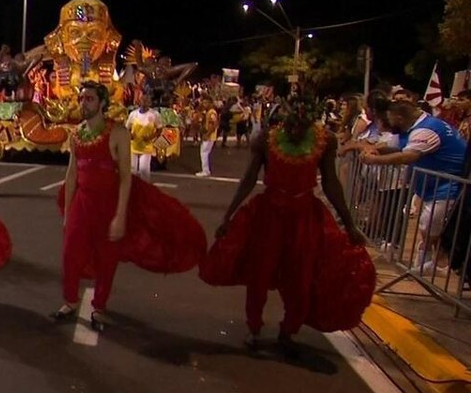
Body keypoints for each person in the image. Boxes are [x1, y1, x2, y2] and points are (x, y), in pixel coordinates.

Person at [201, 93, 373, 356]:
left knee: (301, 276)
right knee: (259, 273)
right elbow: (248, 179)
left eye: (301, 126)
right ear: (283, 119)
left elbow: (331, 182)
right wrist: (228, 216)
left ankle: (288, 330)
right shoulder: (265, 140)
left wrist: (349, 224)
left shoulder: (324, 141)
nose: (295, 130)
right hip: (268, 215)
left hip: (305, 217)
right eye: (291, 124)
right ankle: (254, 327)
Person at [52, 82, 206, 328]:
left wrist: (120, 215)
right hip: (82, 202)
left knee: (106, 258)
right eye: (81, 98)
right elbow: (72, 175)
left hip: (108, 204)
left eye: (89, 99)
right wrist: (68, 212)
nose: (83, 103)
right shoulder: (77, 134)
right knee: (70, 253)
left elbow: (125, 177)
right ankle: (69, 301)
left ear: (102, 103)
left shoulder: (118, 133)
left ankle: (99, 306)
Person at [361, 98, 467, 271]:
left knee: (432, 222)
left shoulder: (426, 129)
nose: (389, 124)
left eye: (391, 119)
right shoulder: (412, 127)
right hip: (432, 185)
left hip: (449, 184)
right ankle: (431, 258)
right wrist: (375, 149)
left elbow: (408, 156)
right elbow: (393, 146)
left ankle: (435, 258)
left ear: (400, 118)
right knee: (429, 223)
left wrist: (375, 159)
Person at [125, 95, 162, 181]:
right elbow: (127, 128)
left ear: (150, 103)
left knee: (144, 170)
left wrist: (151, 137)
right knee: (132, 171)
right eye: (142, 100)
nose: (144, 103)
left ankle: (144, 189)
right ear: (139, 102)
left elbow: (159, 129)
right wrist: (130, 135)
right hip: (133, 146)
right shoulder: (133, 114)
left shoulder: (154, 115)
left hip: (146, 147)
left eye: (147, 101)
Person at [196, 97, 219, 177]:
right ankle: (206, 170)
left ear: (210, 103)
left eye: (206, 103)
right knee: (204, 153)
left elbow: (214, 124)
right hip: (208, 135)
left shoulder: (211, 112)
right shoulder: (208, 112)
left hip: (209, 136)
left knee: (204, 153)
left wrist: (207, 134)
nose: (204, 104)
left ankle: (205, 171)